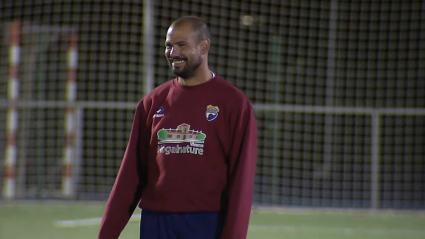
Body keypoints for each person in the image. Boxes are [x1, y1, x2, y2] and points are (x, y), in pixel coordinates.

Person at [98, 16, 257, 239]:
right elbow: (130, 175)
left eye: (182, 45)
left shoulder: (234, 104)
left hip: (207, 223)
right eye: (169, 46)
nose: (173, 53)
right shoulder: (152, 103)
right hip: (156, 222)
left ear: (204, 46)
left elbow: (242, 181)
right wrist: (106, 234)